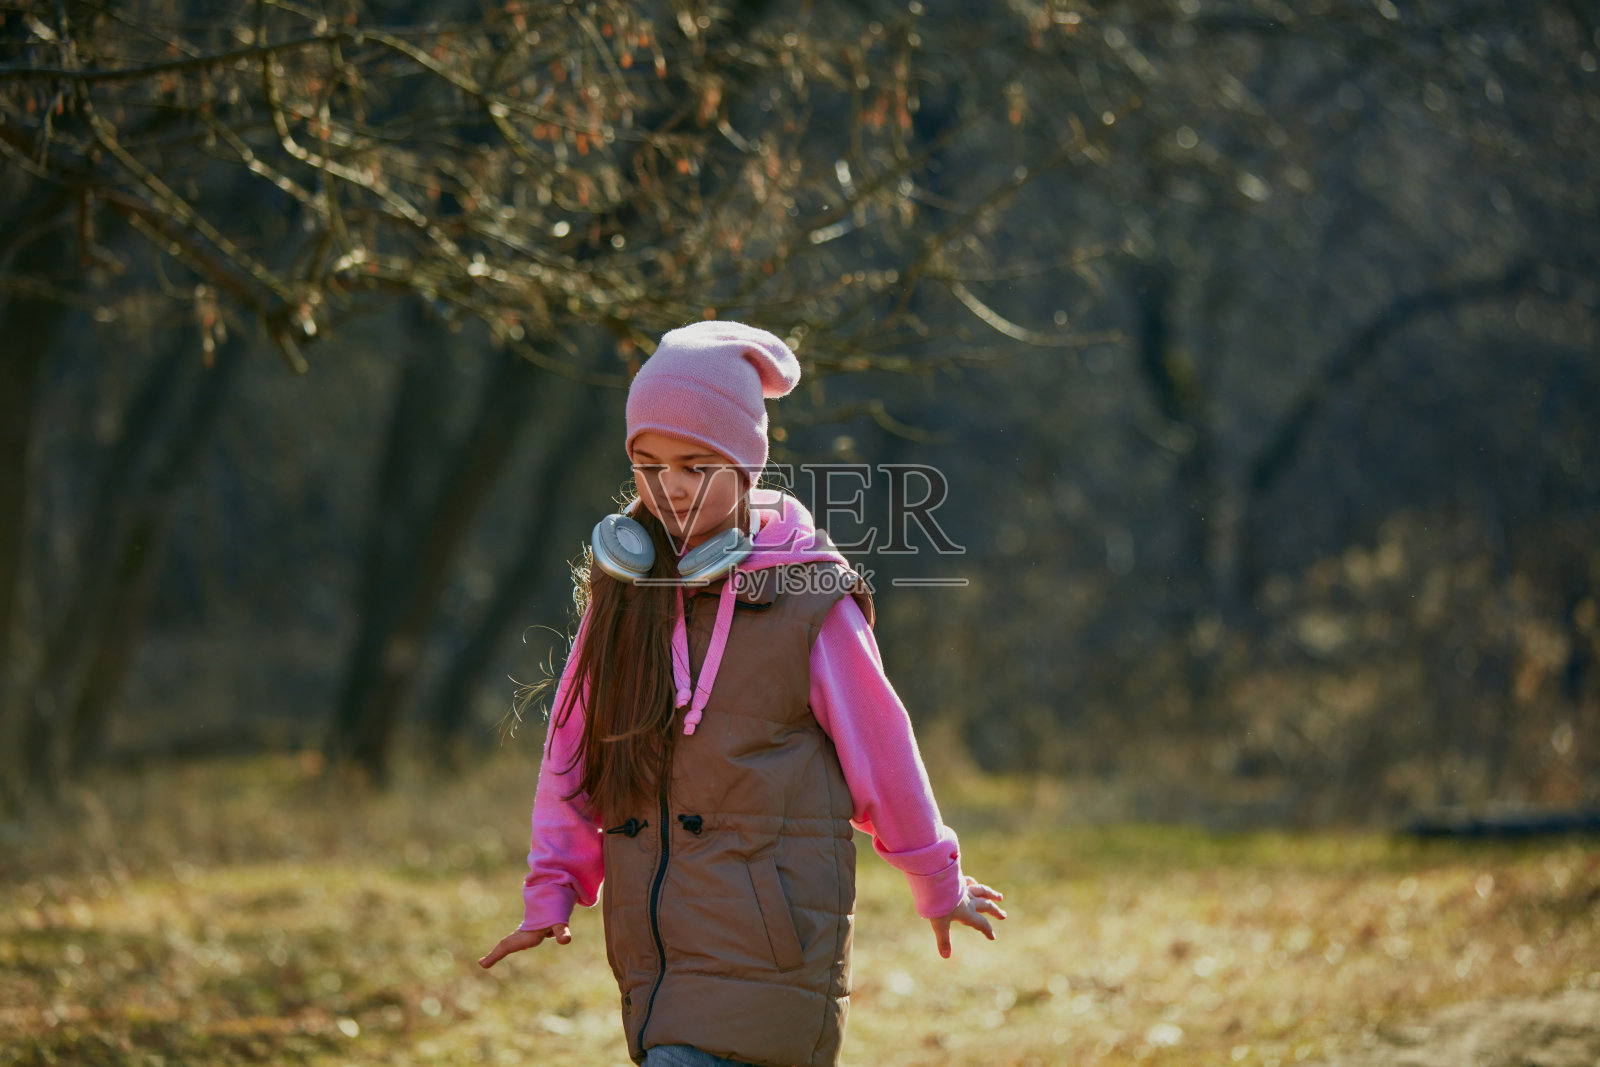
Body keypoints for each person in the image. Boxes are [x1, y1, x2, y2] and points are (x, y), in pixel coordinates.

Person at [478, 320, 1005, 1067]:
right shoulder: (624, 591)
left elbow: (884, 754)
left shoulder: (810, 597)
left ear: (748, 462)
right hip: (655, 962)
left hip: (770, 951)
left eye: (696, 463)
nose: (670, 486)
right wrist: (553, 882)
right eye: (648, 463)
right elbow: (573, 746)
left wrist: (935, 876)